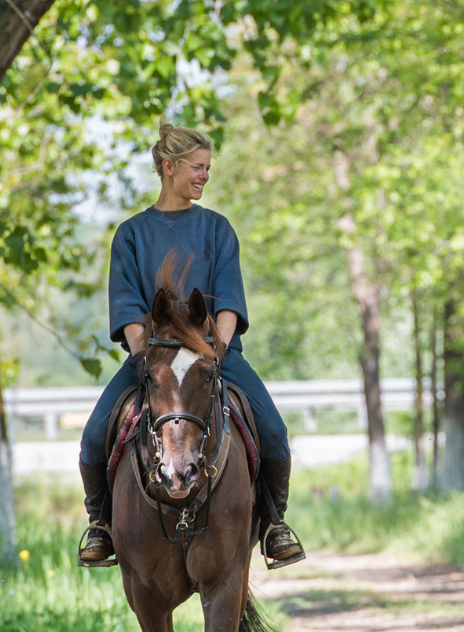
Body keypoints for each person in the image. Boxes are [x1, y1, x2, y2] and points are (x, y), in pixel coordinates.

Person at [76, 124, 306, 568]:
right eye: (197, 168)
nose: (204, 176)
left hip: (212, 356)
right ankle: (100, 525)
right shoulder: (131, 235)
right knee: (91, 439)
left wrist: (214, 351)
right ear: (169, 167)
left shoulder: (218, 230)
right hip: (154, 359)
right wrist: (148, 356)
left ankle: (275, 524)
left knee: (274, 433)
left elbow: (229, 302)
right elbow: (127, 309)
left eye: (207, 169)